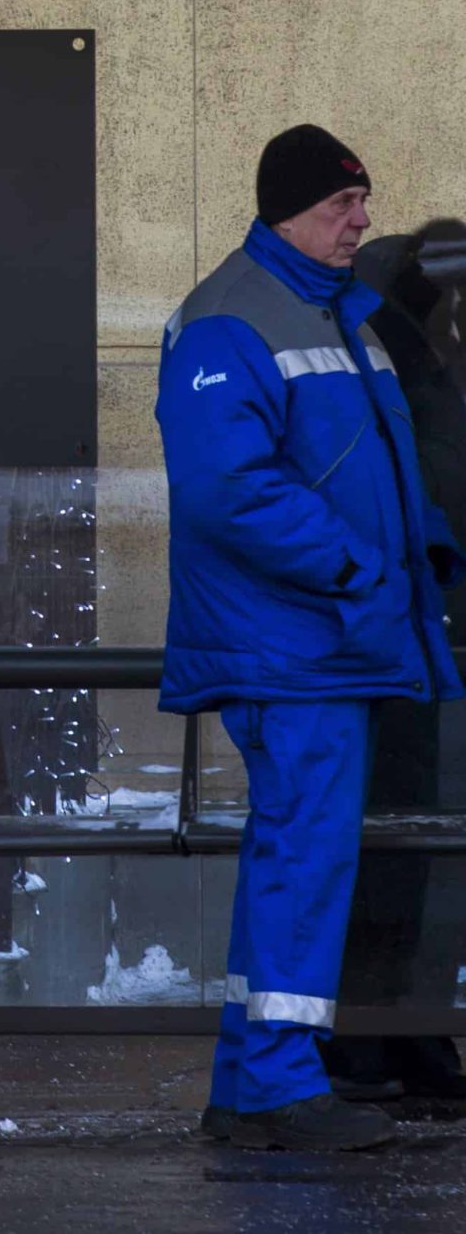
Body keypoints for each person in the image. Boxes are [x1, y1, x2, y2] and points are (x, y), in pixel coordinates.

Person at [158, 126, 464, 1152]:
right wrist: (357, 568)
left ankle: (255, 1083)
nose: (361, 221)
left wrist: (424, 549)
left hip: (322, 641)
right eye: (342, 204)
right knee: (302, 864)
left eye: (363, 202)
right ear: (289, 210)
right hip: (292, 646)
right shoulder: (230, 317)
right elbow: (226, 490)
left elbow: (376, 467)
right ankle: (276, 1088)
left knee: (296, 861)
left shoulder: (332, 313)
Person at [322, 221, 466, 1107]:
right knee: (397, 844)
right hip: (405, 637)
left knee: (429, 848)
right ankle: (373, 1032)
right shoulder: (396, 374)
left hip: (426, 636)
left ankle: (408, 1027)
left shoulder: (428, 373)